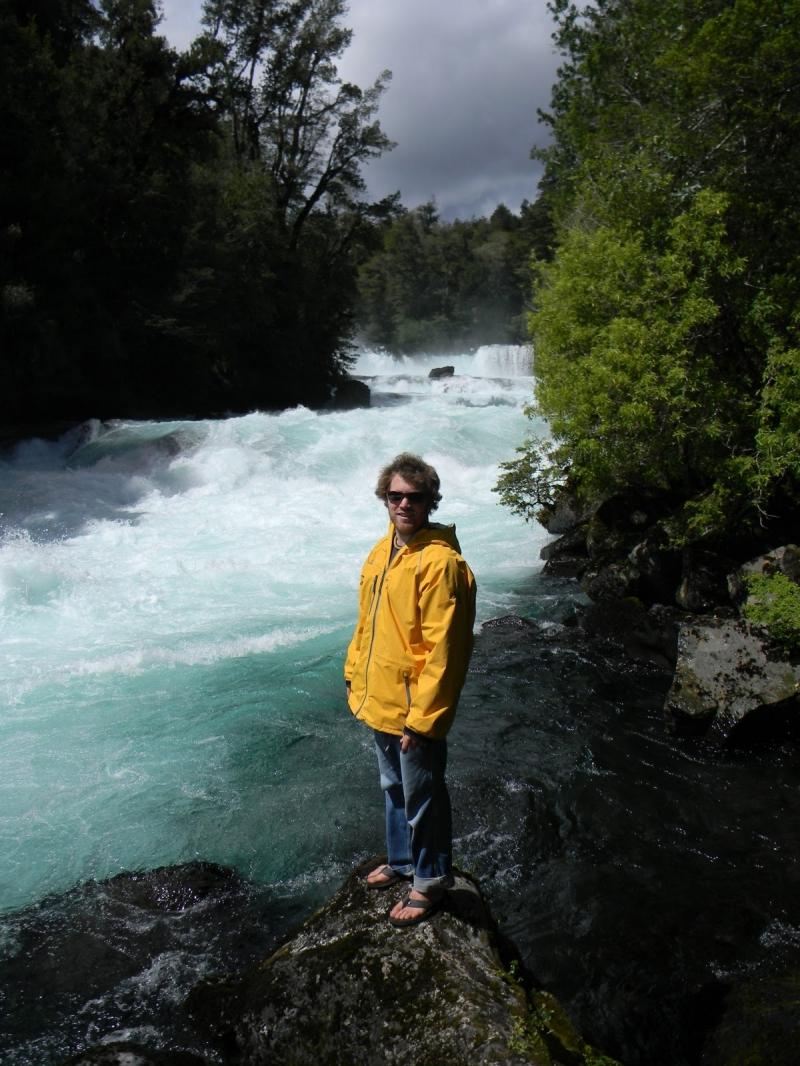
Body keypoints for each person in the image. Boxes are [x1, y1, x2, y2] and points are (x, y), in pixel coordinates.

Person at [344, 452, 476, 927]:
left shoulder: (442, 565)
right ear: (385, 498)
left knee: (424, 796)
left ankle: (430, 880)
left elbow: (446, 652)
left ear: (430, 502)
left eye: (414, 497)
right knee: (394, 788)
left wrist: (424, 720)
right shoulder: (382, 552)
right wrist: (352, 672)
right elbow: (367, 625)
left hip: (413, 708)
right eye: (395, 495)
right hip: (378, 695)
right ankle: (403, 862)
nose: (403, 504)